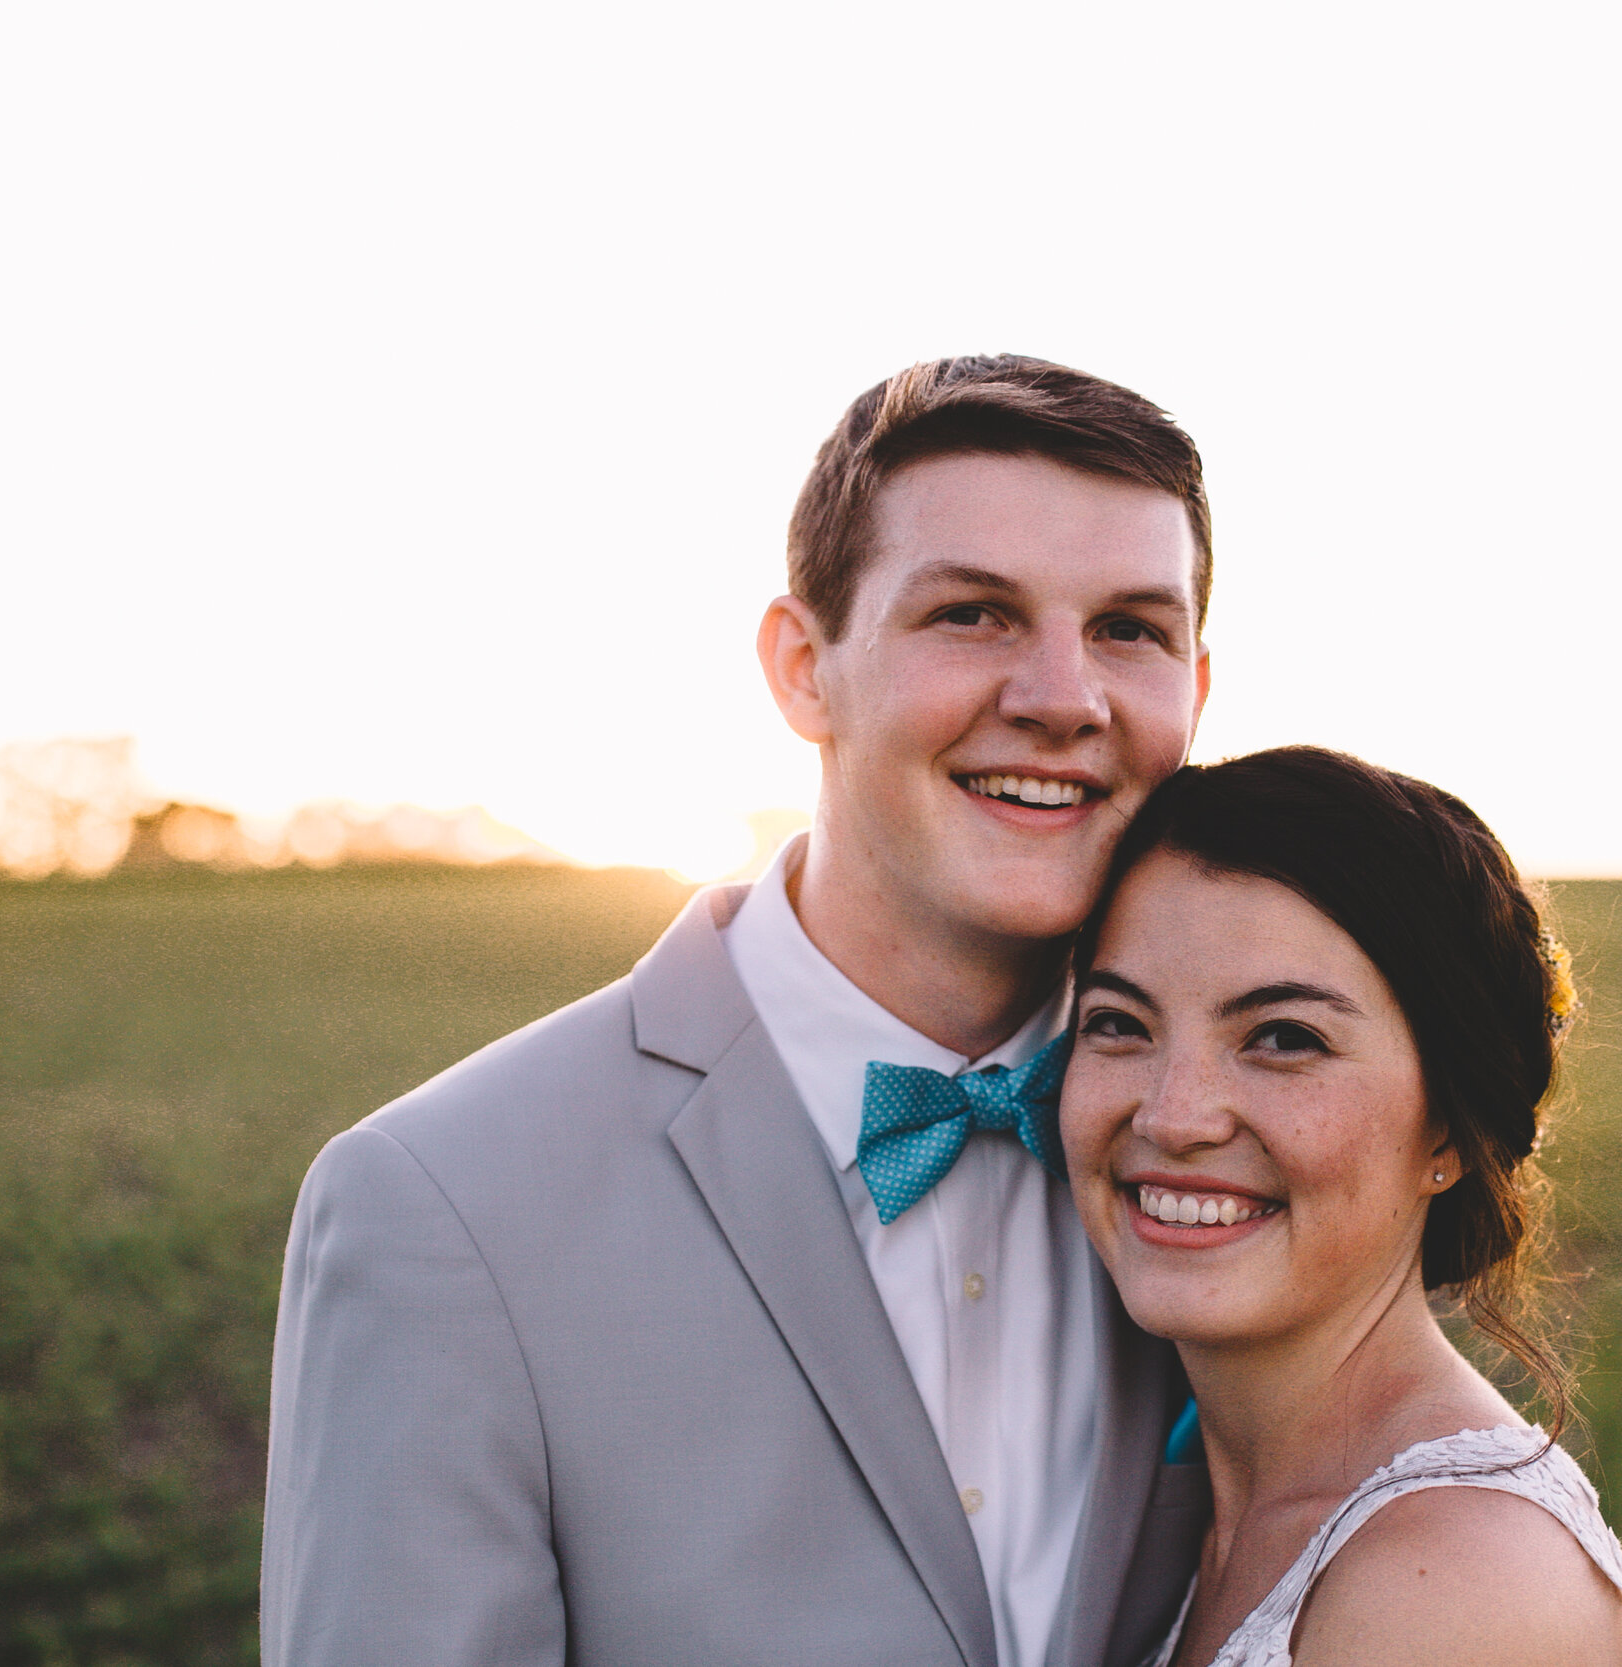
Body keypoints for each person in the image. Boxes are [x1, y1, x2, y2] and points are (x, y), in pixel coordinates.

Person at [261, 355, 1215, 1666]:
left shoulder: (1229, 1156)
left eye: (1130, 628)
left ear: (1196, 687)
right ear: (802, 667)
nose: (1062, 695)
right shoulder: (443, 1205)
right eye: (975, 614)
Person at [1060, 747, 1622, 1667]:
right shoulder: (1170, 1510)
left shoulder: (1463, 1586)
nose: (1173, 1115)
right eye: (1118, 1022)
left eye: (1283, 1037)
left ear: (1450, 1135)